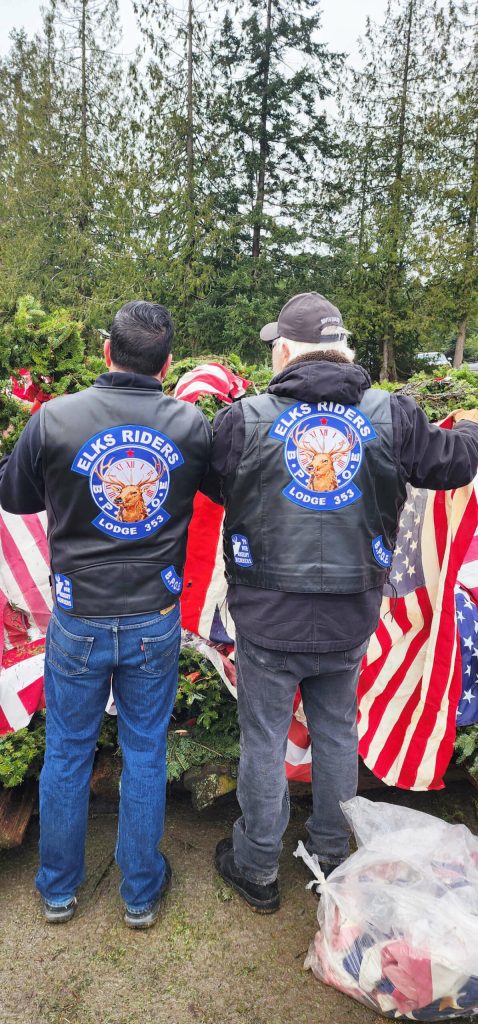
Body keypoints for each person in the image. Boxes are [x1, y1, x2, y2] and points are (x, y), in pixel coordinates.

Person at [211, 291, 478, 913]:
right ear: (343, 348)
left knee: (264, 739)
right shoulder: (395, 414)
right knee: (336, 733)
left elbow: (213, 481)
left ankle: (256, 866)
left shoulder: (245, 417)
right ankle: (331, 853)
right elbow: (452, 465)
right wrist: (468, 426)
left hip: (267, 616)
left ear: (283, 350)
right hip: (350, 613)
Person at [0, 301, 212, 928]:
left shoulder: (54, 419)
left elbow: (13, 494)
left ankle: (58, 891)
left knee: (68, 751)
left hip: (80, 615)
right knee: (145, 751)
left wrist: (62, 485)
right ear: (167, 364)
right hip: (153, 614)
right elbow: (228, 488)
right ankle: (140, 894)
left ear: (105, 352)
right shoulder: (191, 424)